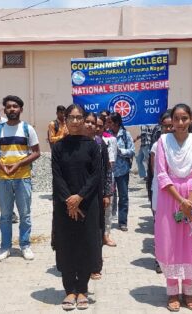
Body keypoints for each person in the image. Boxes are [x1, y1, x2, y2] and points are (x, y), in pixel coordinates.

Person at [154, 103, 192, 312]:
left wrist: (190, 201)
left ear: (191, 120)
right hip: (170, 197)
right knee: (169, 243)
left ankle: (188, 292)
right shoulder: (163, 141)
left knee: (190, 244)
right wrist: (180, 200)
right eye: (176, 119)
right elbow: (161, 173)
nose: (180, 123)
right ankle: (172, 293)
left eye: (184, 118)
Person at [51, 104, 103, 311]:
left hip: (87, 204)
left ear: (83, 120)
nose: (75, 121)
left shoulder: (92, 146)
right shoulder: (58, 147)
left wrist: (80, 197)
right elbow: (57, 176)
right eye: (70, 117)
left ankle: (82, 288)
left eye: (78, 117)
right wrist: (69, 200)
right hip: (64, 206)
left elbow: (96, 175)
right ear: (65, 120)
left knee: (85, 245)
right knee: (67, 246)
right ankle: (69, 290)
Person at [0, 95, 41, 261]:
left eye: (15, 106)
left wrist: (19, 164)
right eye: (9, 107)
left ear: (21, 109)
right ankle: (5, 247)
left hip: (23, 178)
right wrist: (1, 166)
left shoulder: (27, 129)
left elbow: (36, 152)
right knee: (5, 215)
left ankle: (25, 245)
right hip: (3, 178)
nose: (12, 109)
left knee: (25, 214)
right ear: (5, 110)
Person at [83, 113, 113, 280]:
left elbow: (107, 170)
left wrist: (107, 193)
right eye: (86, 122)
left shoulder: (101, 145)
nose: (91, 126)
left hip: (98, 194)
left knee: (96, 229)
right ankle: (81, 263)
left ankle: (95, 265)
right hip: (79, 195)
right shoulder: (75, 143)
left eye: (94, 124)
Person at [148, 110, 174, 275]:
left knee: (177, 226)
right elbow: (154, 170)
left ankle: (174, 257)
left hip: (179, 193)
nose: (169, 129)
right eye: (166, 126)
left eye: (172, 125)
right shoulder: (156, 146)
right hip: (160, 190)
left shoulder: (183, 144)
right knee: (161, 225)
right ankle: (160, 259)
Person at [110, 112, 135, 231]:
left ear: (117, 123)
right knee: (109, 197)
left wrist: (120, 151)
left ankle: (122, 222)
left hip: (122, 171)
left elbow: (132, 151)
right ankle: (108, 220)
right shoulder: (107, 135)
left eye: (110, 122)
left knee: (123, 197)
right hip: (109, 171)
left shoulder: (125, 134)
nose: (108, 124)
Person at [97, 116, 117, 247]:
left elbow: (111, 161)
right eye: (95, 125)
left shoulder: (110, 140)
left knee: (107, 209)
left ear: (104, 126)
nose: (97, 128)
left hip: (106, 178)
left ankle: (106, 235)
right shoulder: (86, 140)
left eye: (100, 125)